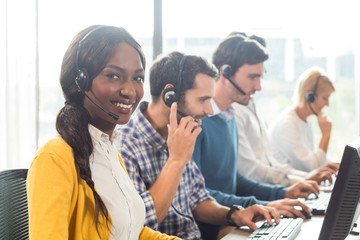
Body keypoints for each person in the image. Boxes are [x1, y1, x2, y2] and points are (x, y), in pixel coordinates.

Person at [26, 25, 179, 240]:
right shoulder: (54, 158)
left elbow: (131, 231)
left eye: (137, 78)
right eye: (114, 76)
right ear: (80, 80)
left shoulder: (110, 150)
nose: (129, 91)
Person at [117, 51, 280, 239]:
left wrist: (234, 214)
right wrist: (176, 160)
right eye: (203, 100)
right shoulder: (125, 147)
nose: (209, 110)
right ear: (169, 96)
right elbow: (141, 223)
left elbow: (198, 200)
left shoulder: (179, 132)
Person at [193, 33, 321, 221]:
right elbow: (196, 195)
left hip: (232, 218)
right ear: (224, 72)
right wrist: (263, 205)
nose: (258, 86)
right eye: (252, 77)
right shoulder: (198, 121)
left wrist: (282, 193)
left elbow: (235, 181)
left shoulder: (229, 117)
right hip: (213, 225)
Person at [268, 67, 336, 172]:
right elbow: (311, 167)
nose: (327, 104)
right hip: (288, 186)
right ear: (310, 95)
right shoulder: (287, 124)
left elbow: (316, 159)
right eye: (325, 98)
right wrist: (325, 135)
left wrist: (336, 165)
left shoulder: (304, 121)